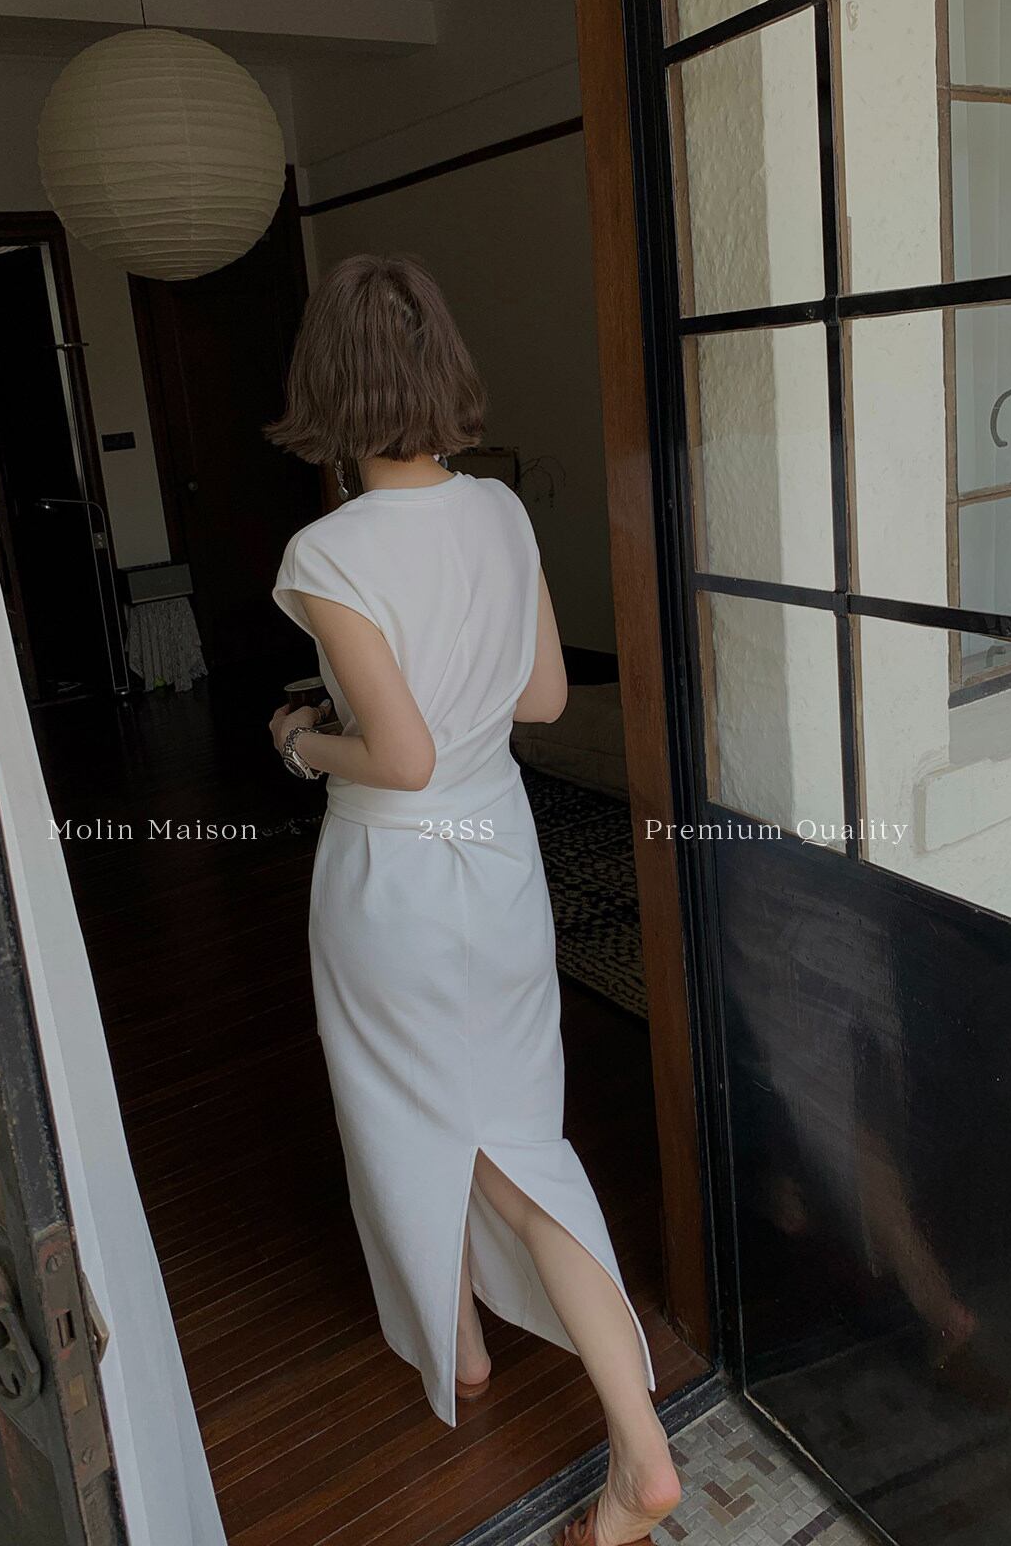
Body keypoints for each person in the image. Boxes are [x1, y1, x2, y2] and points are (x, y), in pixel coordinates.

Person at [267, 254, 682, 1546]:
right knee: (505, 1120)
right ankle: (471, 1355)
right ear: (441, 369)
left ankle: (626, 1445)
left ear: (327, 388)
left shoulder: (327, 551)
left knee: (429, 1124)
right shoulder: (500, 511)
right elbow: (545, 696)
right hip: (499, 860)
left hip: (395, 878)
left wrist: (299, 743)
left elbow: (397, 758)